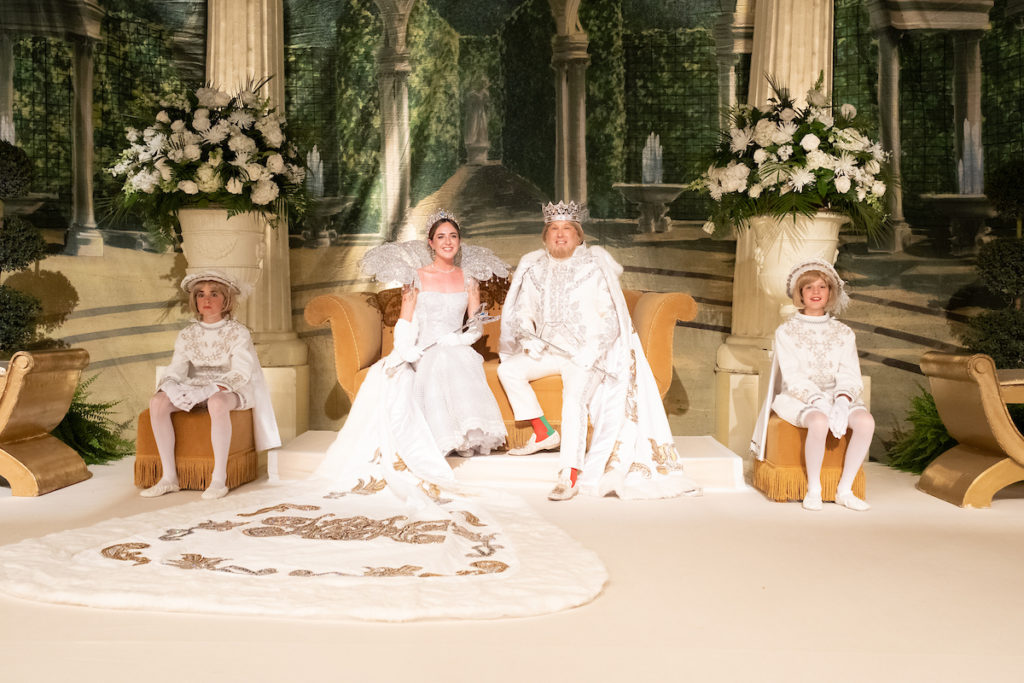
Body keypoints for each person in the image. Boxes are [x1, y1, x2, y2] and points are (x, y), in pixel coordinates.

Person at [498, 200, 700, 501]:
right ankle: (543, 432)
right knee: (509, 370)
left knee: (574, 399)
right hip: (550, 350)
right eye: (553, 229)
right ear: (545, 236)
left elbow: (611, 319)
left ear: (579, 236)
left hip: (586, 354)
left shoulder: (595, 267)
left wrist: (591, 353)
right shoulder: (535, 269)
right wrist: (529, 337)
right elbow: (522, 311)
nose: (560, 235)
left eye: (567, 229)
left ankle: (569, 475)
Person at [317, 209, 509, 494]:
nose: (448, 242)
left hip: (454, 346)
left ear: (459, 241)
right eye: (441, 237)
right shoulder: (416, 277)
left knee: (453, 356)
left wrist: (460, 341)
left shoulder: (469, 280)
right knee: (435, 360)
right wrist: (406, 350)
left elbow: (477, 325)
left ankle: (463, 438)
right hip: (422, 347)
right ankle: (441, 438)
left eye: (453, 236)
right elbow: (405, 321)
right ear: (430, 243)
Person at [140, 270, 280, 500]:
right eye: (201, 294)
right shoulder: (187, 334)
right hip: (195, 385)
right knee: (157, 402)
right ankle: (169, 478)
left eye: (214, 294)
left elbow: (241, 372)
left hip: (231, 388)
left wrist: (211, 389)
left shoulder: (237, 332)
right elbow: (176, 367)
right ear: (194, 299)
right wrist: (171, 386)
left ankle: (218, 479)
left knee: (216, 403)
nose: (206, 300)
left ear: (226, 299)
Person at [751, 258, 874, 511]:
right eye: (809, 287)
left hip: (837, 396)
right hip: (799, 396)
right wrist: (819, 401)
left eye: (822, 287)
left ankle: (844, 490)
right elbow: (793, 376)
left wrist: (841, 401)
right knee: (819, 421)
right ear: (800, 293)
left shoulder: (844, 333)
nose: (816, 292)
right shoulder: (786, 332)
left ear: (830, 292)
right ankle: (814, 489)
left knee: (865, 422)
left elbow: (850, 372)